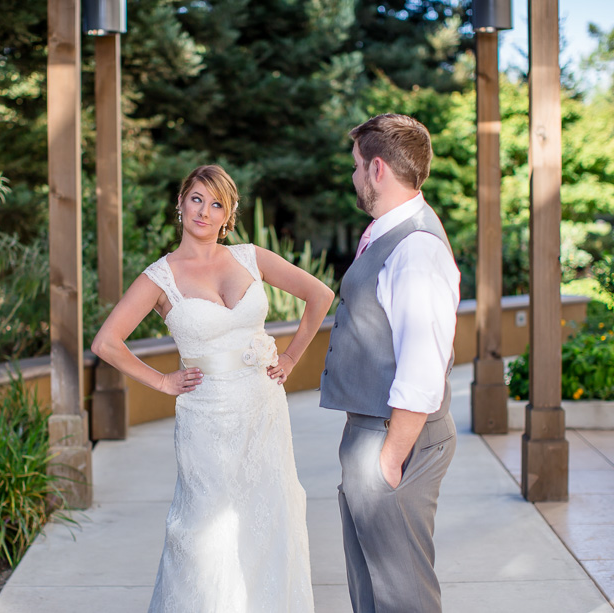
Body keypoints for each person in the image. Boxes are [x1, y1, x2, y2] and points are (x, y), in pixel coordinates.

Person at [91, 164, 333, 613]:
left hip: (263, 410)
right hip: (206, 419)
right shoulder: (159, 278)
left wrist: (293, 357)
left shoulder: (249, 257)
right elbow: (106, 342)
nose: (205, 211)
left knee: (270, 519)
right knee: (206, 530)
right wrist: (162, 381)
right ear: (180, 204)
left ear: (228, 215)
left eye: (216, 203)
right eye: (197, 199)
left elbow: (320, 295)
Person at [319, 114, 461, 613]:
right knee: (373, 587)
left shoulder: (415, 249)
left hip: (395, 436)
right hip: (377, 432)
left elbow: (423, 365)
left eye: (357, 166)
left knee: (402, 596)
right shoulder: (393, 232)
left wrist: (389, 460)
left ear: (377, 169)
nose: (353, 177)